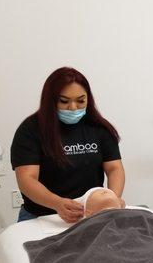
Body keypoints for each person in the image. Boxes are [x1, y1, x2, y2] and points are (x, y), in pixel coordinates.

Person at [11, 67, 125, 223]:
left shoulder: (99, 128)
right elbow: (27, 179)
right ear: (51, 100)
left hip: (89, 216)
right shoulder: (31, 130)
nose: (73, 107)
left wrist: (113, 199)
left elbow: (114, 169)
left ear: (88, 99)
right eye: (64, 101)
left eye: (80, 100)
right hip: (41, 217)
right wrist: (56, 203)